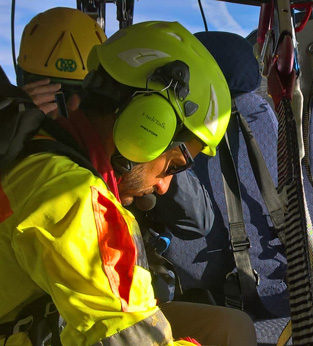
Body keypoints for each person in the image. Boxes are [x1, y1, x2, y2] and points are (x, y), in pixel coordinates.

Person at [0, 21, 277, 346]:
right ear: (149, 125)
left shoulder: (31, 150)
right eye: (175, 164)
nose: (163, 186)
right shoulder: (73, 198)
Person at [16, 7, 215, 305]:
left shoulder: (131, 156)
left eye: (76, 95)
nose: (66, 109)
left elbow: (197, 223)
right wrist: (21, 125)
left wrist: (144, 155)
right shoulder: (25, 154)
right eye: (47, 96)